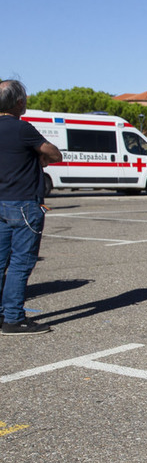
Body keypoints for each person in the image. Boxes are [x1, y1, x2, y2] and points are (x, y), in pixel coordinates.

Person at [0, 80, 63, 334]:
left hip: (1, 201)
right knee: (21, 262)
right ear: (18, 102)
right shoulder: (22, 129)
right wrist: (42, 157)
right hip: (24, 203)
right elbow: (54, 153)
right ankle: (14, 318)